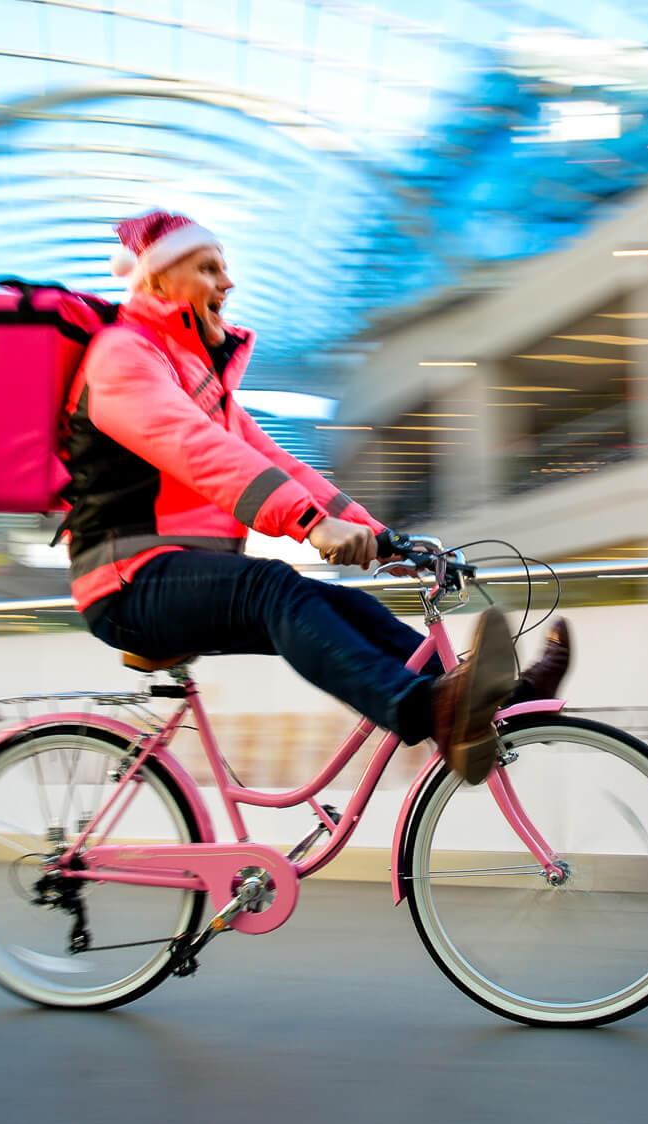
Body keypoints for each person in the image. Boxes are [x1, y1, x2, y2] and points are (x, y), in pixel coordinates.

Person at [60, 209, 569, 783]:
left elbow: (280, 463)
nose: (228, 284)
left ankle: (491, 708)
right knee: (272, 588)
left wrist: (383, 540)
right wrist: (309, 524)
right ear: (155, 280)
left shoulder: (196, 376)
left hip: (180, 573)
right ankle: (431, 709)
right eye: (208, 268)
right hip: (127, 580)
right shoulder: (124, 355)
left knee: (341, 603)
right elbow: (195, 448)